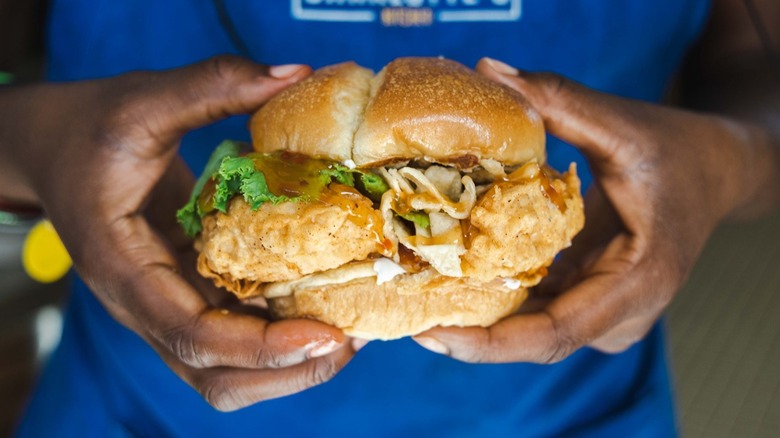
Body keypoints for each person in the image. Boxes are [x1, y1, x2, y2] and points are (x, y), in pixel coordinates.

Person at [1, 0, 778, 436]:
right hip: (138, 407)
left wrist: (726, 159)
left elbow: (756, 72)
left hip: (571, 410)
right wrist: (27, 137)